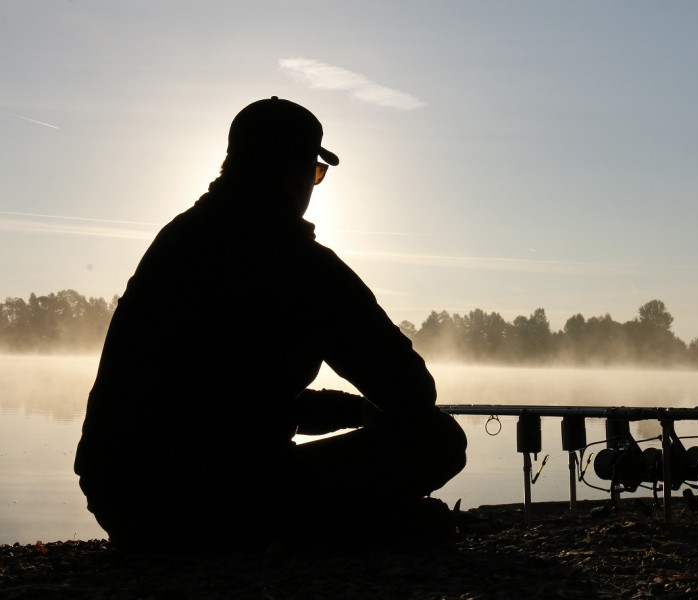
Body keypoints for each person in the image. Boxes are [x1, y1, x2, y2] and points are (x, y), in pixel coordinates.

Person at [74, 97, 467, 550]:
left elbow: (229, 398)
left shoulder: (177, 241)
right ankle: (340, 531)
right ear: (297, 171)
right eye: (316, 172)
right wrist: (370, 410)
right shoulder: (301, 264)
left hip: (122, 502)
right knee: (438, 439)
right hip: (220, 498)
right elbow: (413, 392)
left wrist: (352, 412)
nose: (314, 185)